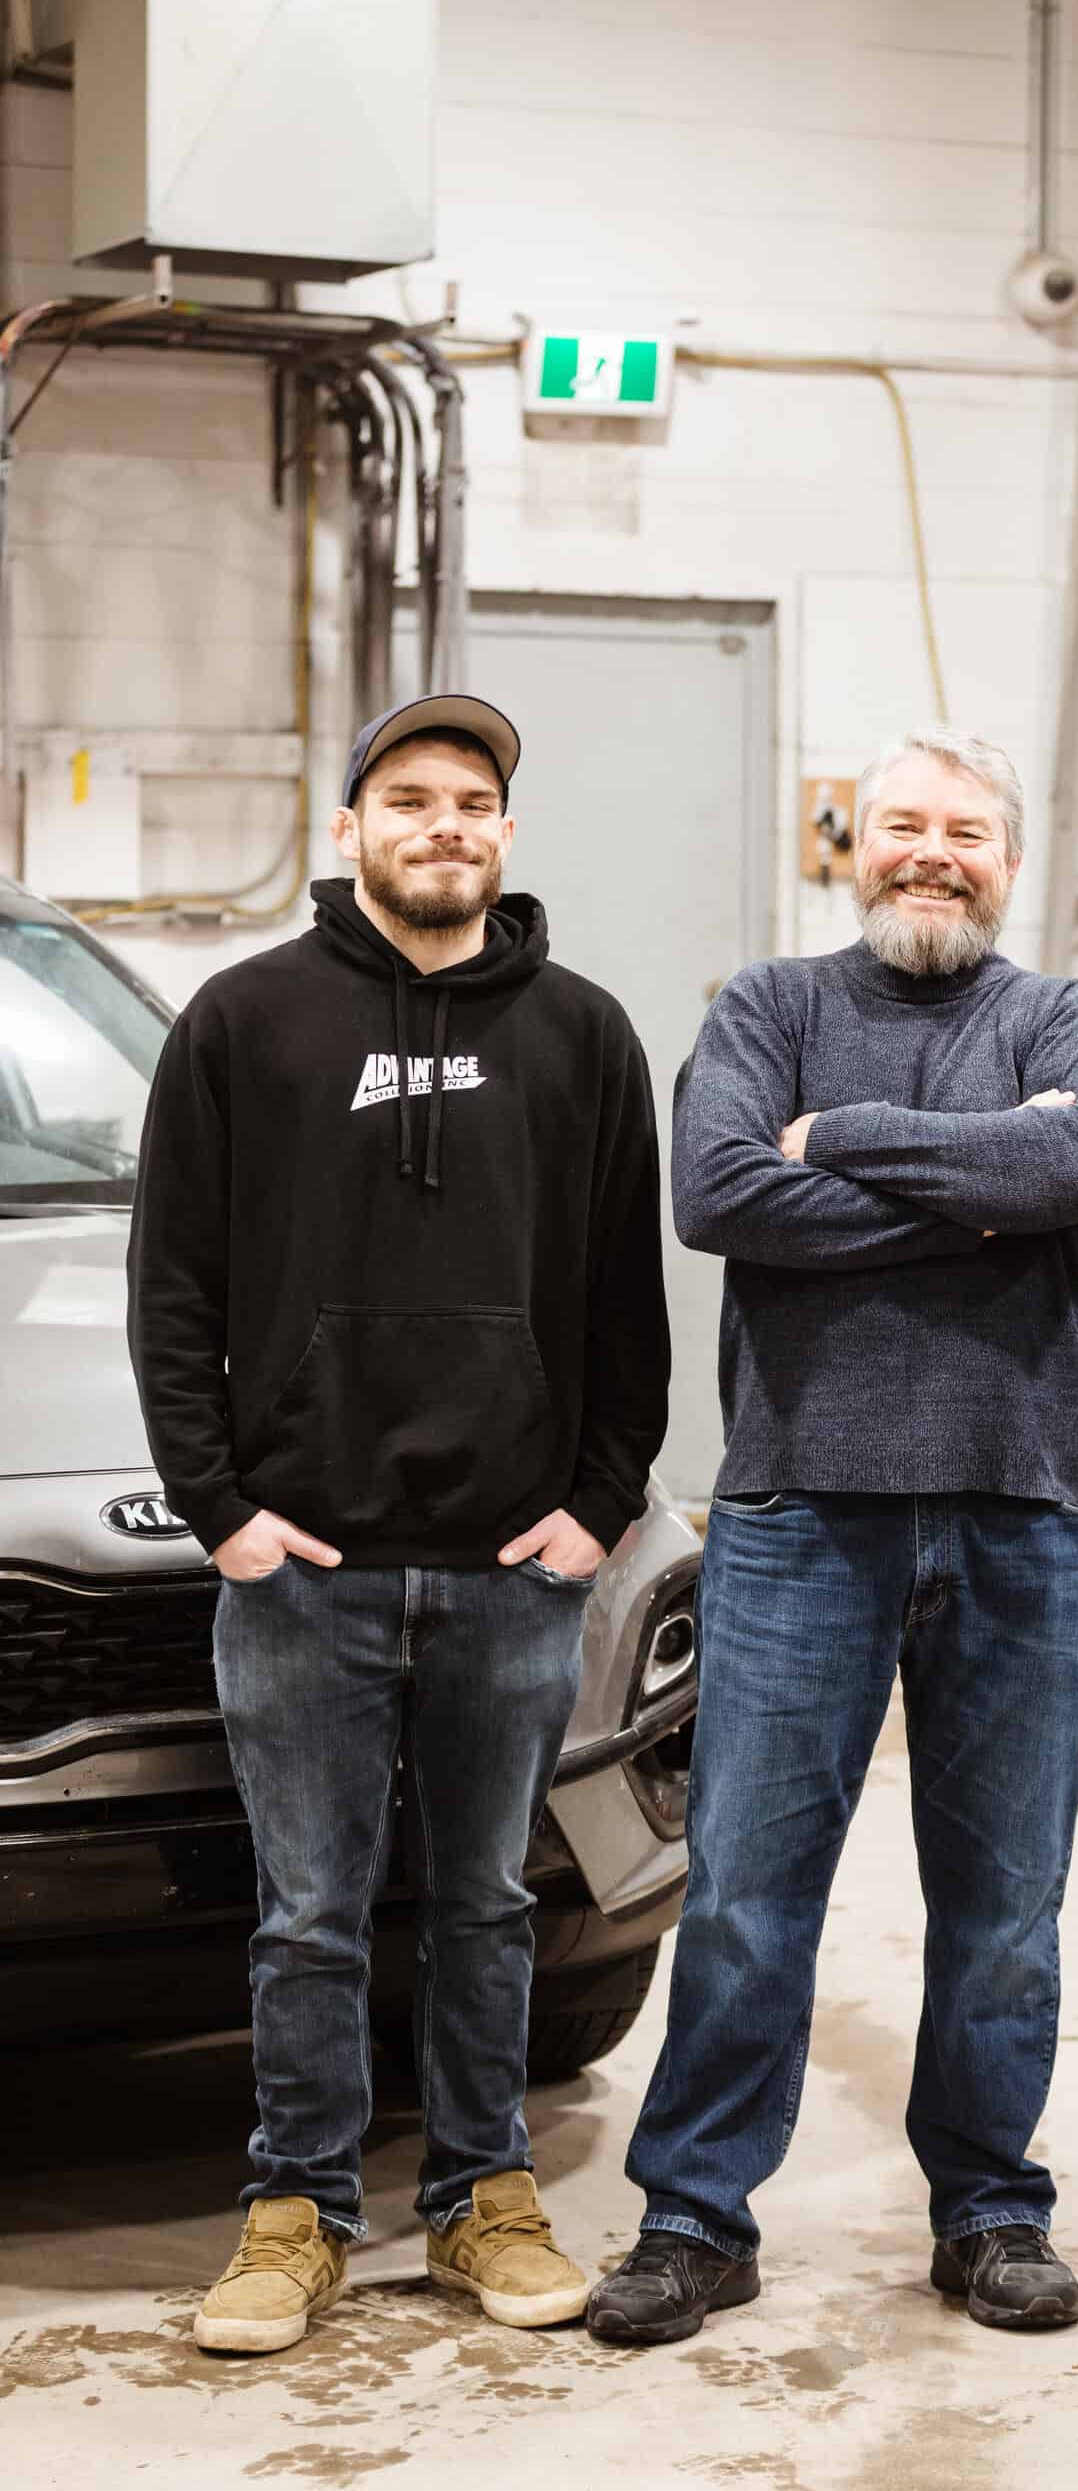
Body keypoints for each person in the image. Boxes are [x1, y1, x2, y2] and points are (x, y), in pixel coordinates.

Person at [585, 728, 1078, 2346]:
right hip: (798, 1511)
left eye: (966, 831)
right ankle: (698, 2214)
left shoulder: (1067, 1019)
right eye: (904, 824)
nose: (932, 853)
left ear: (1009, 861)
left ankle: (988, 2208)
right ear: (852, 841)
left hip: (1025, 1512)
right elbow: (720, 1195)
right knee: (751, 1886)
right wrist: (989, 1189)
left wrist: (830, 1142)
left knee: (1003, 1895)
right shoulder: (771, 1007)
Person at [127, 694, 670, 2354]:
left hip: (509, 1571)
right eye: (412, 798)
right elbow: (175, 1286)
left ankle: (481, 2197)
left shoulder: (582, 1034)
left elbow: (620, 1304)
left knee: (495, 1905)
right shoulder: (243, 1020)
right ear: (352, 828)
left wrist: (598, 1502)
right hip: (306, 1568)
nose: (446, 824)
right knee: (305, 1909)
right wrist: (221, 1510)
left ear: (504, 835)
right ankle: (293, 2209)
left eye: (475, 801)